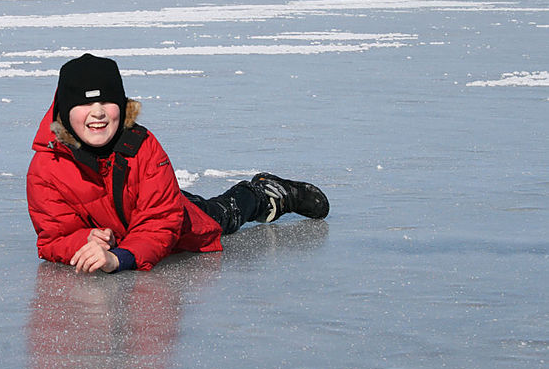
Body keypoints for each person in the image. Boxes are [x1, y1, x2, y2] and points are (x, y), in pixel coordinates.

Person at [26, 53, 329, 273]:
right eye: (84, 104)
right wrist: (84, 239)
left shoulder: (142, 146)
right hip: (133, 224)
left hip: (177, 222)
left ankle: (264, 193)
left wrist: (120, 257)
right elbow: (54, 237)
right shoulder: (46, 168)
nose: (98, 113)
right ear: (64, 112)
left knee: (223, 214)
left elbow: (162, 221)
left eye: (107, 101)